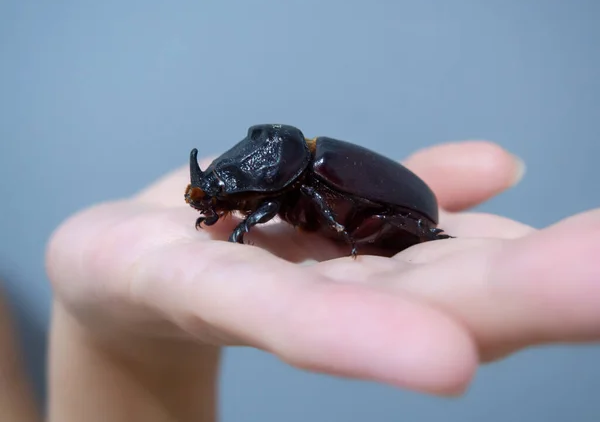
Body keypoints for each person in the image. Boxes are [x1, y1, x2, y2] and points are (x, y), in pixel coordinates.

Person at [3, 140, 600, 422]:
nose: (216, 205)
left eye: (222, 197)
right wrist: (112, 336)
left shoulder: (309, 175)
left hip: (403, 212)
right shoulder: (279, 180)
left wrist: (116, 341)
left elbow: (280, 206)